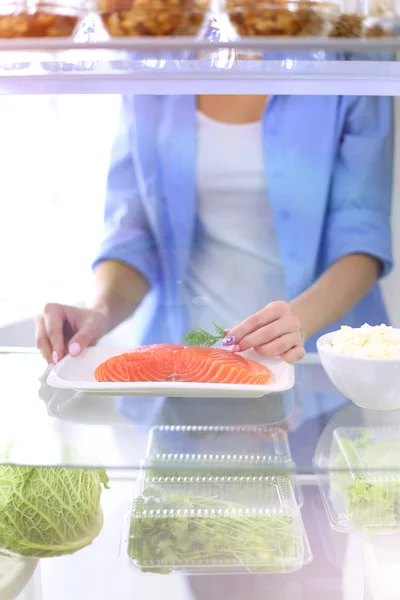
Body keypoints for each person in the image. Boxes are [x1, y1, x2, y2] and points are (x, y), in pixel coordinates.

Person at [36, 93, 393, 377]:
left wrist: (296, 323)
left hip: (314, 357)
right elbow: (134, 234)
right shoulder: (155, 55)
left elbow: (361, 235)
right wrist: (99, 312)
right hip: (176, 364)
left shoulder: (343, 56)